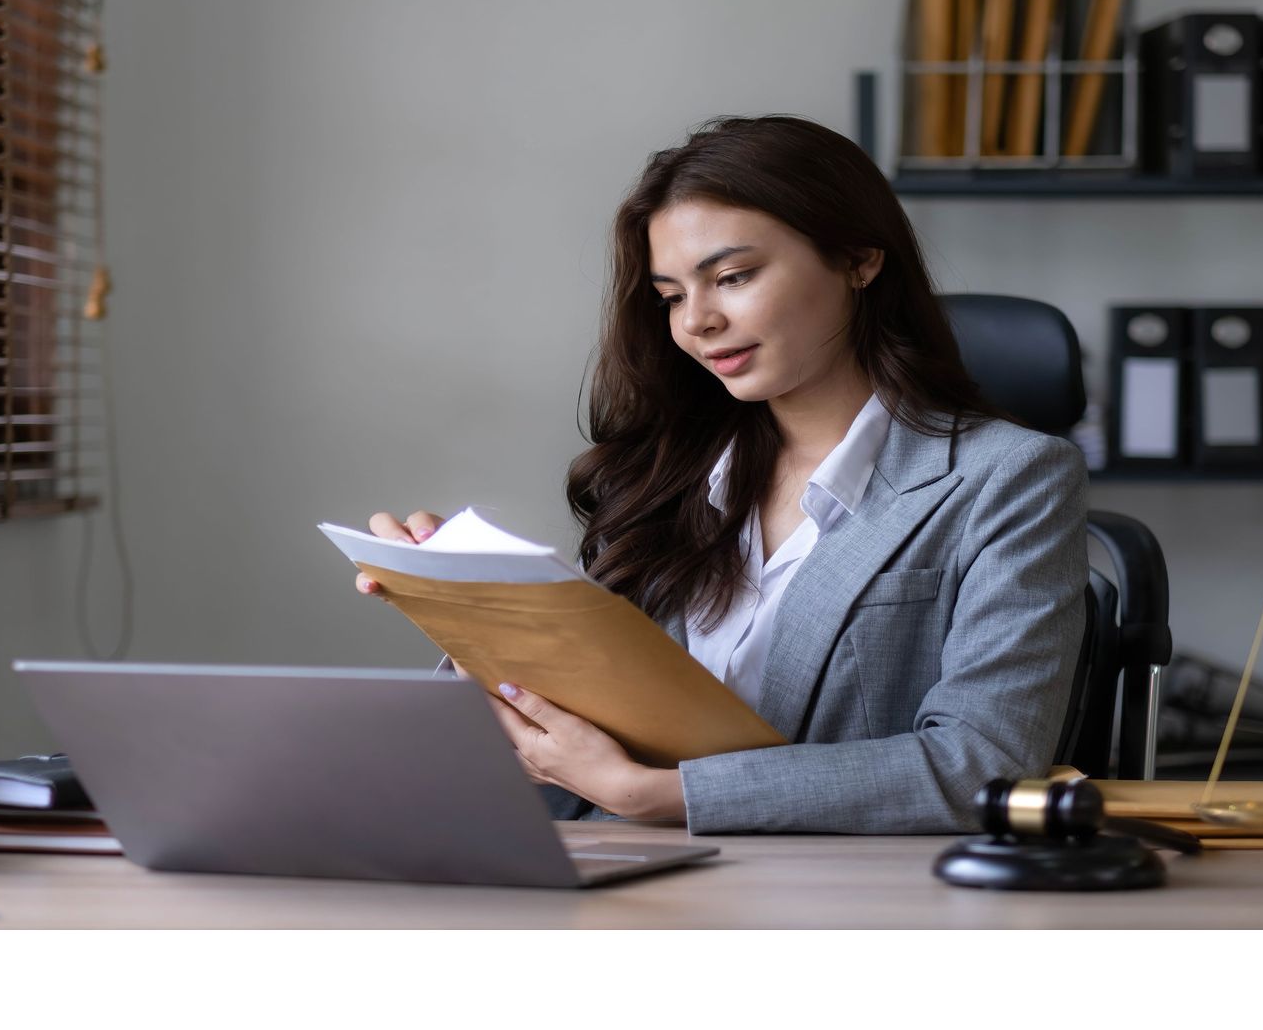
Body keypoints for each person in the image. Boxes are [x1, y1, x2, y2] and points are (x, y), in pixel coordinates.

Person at [356, 115, 1087, 835]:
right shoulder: (663, 478)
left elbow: (983, 763)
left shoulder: (1010, 478)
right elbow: (595, 730)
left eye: (731, 277)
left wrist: (662, 795)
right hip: (632, 885)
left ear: (860, 259)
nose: (695, 322)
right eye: (672, 295)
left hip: (851, 906)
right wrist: (475, 616)